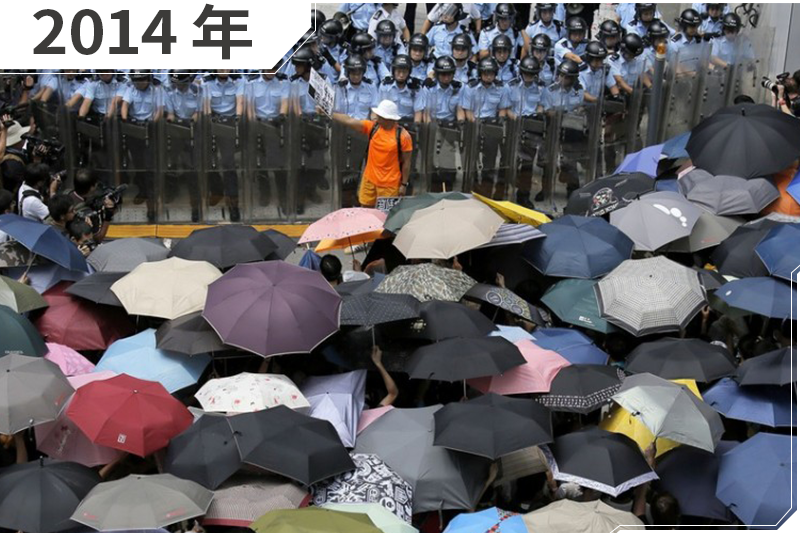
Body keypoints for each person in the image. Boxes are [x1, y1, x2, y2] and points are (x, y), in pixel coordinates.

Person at [331, 99, 413, 208]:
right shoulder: (373, 127)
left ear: (389, 119)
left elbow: (407, 162)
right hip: (369, 180)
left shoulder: (403, 136)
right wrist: (330, 113)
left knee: (384, 215)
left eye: (380, 116)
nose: (377, 118)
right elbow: (349, 121)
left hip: (390, 184)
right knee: (365, 209)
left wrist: (403, 184)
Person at [463, 57, 511, 200]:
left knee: (489, 162)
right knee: (471, 161)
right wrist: (475, 124)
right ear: (480, 73)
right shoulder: (470, 87)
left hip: (491, 126)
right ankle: (469, 190)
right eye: (485, 73)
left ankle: (486, 192)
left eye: (491, 73)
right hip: (474, 124)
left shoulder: (502, 88)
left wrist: (499, 121)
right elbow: (468, 110)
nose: (488, 76)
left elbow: (502, 109)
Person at [121, 71, 163, 223]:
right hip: (134, 128)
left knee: (150, 163)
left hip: (151, 128)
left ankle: (152, 198)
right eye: (136, 81)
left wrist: (152, 122)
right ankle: (142, 190)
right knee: (138, 162)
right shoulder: (130, 89)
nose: (139, 83)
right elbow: (125, 105)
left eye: (142, 80)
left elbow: (160, 110)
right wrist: (126, 119)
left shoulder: (156, 90)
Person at [202, 70, 244, 222]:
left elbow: (240, 102)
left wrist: (237, 121)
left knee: (228, 163)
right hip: (212, 121)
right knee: (209, 160)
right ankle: (217, 191)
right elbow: (206, 105)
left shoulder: (238, 80)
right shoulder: (207, 82)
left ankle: (233, 203)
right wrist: (210, 120)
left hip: (230, 124)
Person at [247, 68, 290, 211]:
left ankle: (283, 197)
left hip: (274, 126)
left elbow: (284, 102)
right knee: (261, 163)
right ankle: (264, 193)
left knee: (278, 164)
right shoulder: (252, 83)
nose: (272, 71)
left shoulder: (283, 82)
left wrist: (282, 116)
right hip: (258, 126)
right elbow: (249, 107)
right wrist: (253, 120)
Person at [422, 55, 466, 192]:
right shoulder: (429, 88)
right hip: (434, 125)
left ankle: (448, 193)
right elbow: (426, 113)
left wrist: (461, 124)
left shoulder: (458, 88)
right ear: (438, 74)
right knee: (433, 166)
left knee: (448, 168)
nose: (446, 77)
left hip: (450, 127)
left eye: (449, 74)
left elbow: (459, 110)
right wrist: (431, 128)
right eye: (443, 74)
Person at [507, 56, 546, 208]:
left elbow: (542, 105)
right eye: (526, 74)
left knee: (527, 165)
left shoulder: (541, 87)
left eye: (532, 74)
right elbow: (505, 107)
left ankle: (523, 195)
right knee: (510, 163)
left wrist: (537, 114)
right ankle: (505, 193)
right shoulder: (511, 86)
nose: (529, 77)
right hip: (515, 126)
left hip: (532, 128)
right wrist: (516, 118)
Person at [164, 71, 202, 222]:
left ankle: (195, 206)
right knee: (171, 164)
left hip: (193, 130)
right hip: (176, 129)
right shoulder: (170, 91)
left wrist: (193, 119)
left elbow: (199, 111)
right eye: (177, 82)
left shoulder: (197, 90)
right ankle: (171, 192)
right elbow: (171, 113)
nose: (179, 85)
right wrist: (173, 119)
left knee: (192, 169)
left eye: (182, 82)